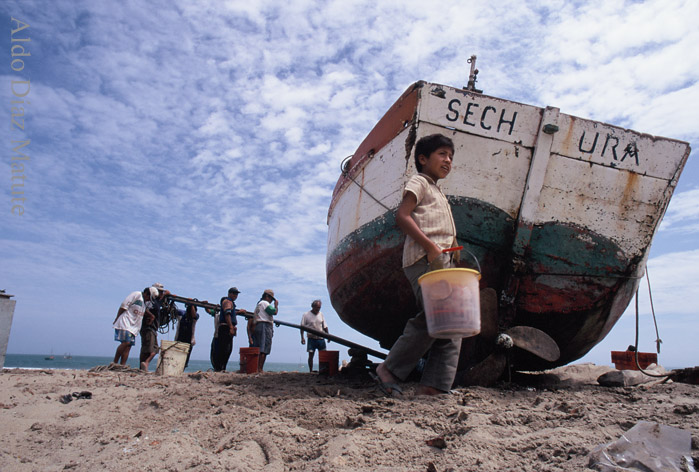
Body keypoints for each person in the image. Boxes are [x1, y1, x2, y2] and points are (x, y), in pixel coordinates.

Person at [374, 133, 461, 396]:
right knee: (437, 317)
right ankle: (388, 369)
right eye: (442, 154)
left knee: (452, 323)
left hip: (441, 261)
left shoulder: (438, 191)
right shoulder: (420, 181)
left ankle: (434, 386)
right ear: (423, 159)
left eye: (451, 156)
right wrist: (431, 247)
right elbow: (402, 216)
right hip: (425, 259)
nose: (448, 160)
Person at [113, 286, 158, 366]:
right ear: (146, 294)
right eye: (149, 298)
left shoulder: (145, 303)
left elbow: (144, 310)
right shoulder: (136, 295)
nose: (148, 300)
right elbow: (123, 306)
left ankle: (122, 365)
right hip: (126, 323)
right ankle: (114, 363)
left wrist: (151, 316)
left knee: (129, 346)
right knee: (126, 342)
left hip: (134, 327)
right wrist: (117, 317)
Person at [211, 287, 244, 372]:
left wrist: (238, 312)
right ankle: (220, 368)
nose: (235, 295)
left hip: (227, 327)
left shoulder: (230, 302)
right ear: (229, 293)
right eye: (233, 293)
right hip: (225, 328)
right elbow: (227, 314)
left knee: (227, 349)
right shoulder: (227, 301)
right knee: (224, 349)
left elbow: (230, 314)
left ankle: (221, 367)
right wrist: (230, 327)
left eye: (236, 294)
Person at [139, 282, 170, 372]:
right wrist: (165, 295)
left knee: (154, 349)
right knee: (147, 349)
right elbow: (157, 304)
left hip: (152, 328)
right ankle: (144, 365)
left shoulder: (153, 301)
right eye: (159, 292)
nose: (160, 294)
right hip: (148, 328)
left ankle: (144, 364)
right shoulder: (152, 301)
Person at [250, 289, 278, 372]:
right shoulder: (265, 303)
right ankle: (259, 368)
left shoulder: (258, 304)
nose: (271, 301)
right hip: (264, 325)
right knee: (264, 348)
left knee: (258, 347)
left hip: (258, 325)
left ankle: (255, 367)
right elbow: (274, 312)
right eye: (271, 299)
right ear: (267, 297)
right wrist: (276, 306)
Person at [300, 299, 329, 372]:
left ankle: (323, 370)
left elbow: (325, 326)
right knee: (311, 355)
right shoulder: (306, 315)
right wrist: (302, 338)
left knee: (323, 355)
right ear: (313, 307)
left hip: (321, 338)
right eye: (317, 307)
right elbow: (302, 327)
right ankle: (311, 370)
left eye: (319, 308)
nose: (318, 309)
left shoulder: (321, 314)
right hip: (311, 338)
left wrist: (328, 335)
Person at [175, 303, 200, 369]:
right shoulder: (182, 313)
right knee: (177, 355)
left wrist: (191, 303)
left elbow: (194, 315)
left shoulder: (196, 316)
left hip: (189, 339)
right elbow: (173, 310)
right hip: (179, 337)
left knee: (186, 356)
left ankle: (182, 368)